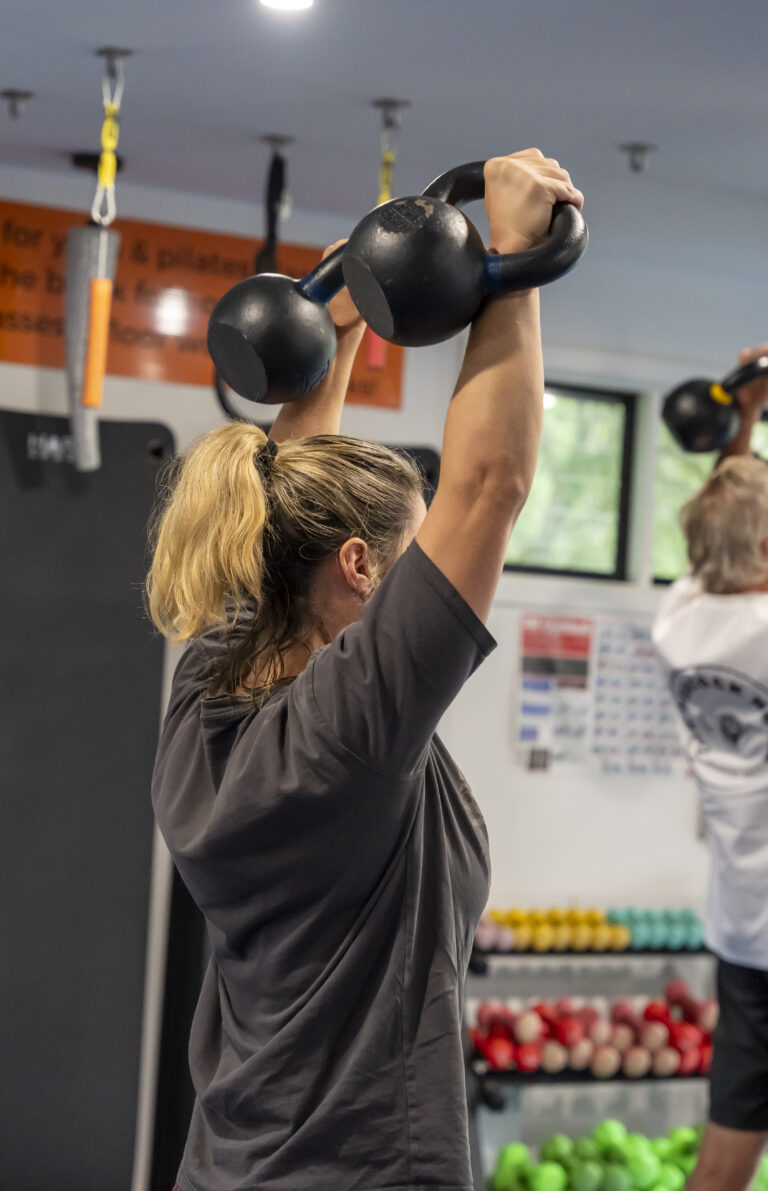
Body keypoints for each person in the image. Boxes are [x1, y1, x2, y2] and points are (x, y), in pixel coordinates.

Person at [147, 148, 582, 1191]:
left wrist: (332, 345)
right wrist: (514, 264)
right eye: (408, 557)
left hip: (234, 1165)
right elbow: (489, 484)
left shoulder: (211, 690)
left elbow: (283, 514)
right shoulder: (346, 734)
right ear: (359, 571)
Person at [653, 345, 768, 1191]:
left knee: (729, 1146)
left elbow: (724, 535)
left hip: (745, 935)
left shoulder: (681, 622)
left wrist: (747, 420)